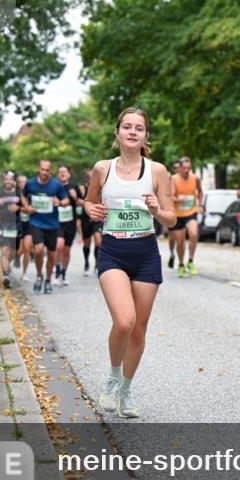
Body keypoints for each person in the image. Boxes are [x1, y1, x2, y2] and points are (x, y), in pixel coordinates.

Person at [82, 106, 175, 418]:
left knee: (138, 330)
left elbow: (172, 218)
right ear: (117, 133)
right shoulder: (102, 169)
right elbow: (89, 200)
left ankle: (126, 389)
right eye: (127, 127)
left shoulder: (158, 172)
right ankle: (112, 378)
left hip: (146, 253)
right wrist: (90, 210)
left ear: (146, 135)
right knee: (124, 321)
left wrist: (156, 211)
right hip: (112, 251)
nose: (133, 132)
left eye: (139, 128)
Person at [21, 159, 69, 294]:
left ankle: (48, 279)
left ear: (50, 171)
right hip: (36, 223)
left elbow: (66, 200)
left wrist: (59, 202)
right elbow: (23, 196)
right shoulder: (30, 183)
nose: (44, 172)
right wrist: (27, 207)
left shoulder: (56, 185)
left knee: (52, 255)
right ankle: (38, 276)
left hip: (52, 225)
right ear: (38, 169)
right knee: (38, 251)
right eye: (42, 169)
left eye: (47, 170)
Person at [170, 156, 203, 277]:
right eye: (184, 168)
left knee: (194, 233)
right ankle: (180, 264)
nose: (186, 170)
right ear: (179, 168)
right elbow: (170, 196)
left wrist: (201, 204)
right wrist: (178, 199)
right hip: (178, 214)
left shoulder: (195, 178)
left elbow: (200, 191)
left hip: (191, 211)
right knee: (179, 242)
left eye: (189, 168)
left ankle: (190, 261)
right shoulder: (173, 179)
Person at [0, 171, 22, 289]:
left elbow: (27, 207)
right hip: (3, 225)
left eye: (10, 179)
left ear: (14, 181)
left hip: (16, 225)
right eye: (6, 179)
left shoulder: (20, 194)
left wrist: (18, 207)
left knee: (14, 252)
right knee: (5, 250)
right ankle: (5, 276)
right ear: (3, 181)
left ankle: (7, 266)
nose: (8, 181)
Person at [55, 165, 81, 286]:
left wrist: (75, 197)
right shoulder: (54, 187)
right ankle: (56, 272)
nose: (62, 174)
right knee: (59, 246)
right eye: (60, 172)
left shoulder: (74, 187)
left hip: (70, 222)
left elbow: (83, 203)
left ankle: (63, 274)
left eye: (64, 172)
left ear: (69, 174)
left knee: (66, 250)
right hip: (57, 222)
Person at [77, 171, 100, 276]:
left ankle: (97, 265)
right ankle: (86, 263)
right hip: (85, 218)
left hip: (97, 218)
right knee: (86, 242)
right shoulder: (82, 188)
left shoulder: (101, 188)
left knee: (98, 241)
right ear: (87, 179)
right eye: (90, 178)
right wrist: (87, 203)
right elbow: (78, 201)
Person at [16, 175, 33, 281]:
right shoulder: (15, 195)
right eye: (20, 182)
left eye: (25, 182)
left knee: (27, 248)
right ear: (17, 184)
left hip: (29, 225)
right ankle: (16, 257)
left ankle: (24, 272)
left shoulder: (32, 194)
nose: (23, 184)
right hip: (17, 224)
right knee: (18, 251)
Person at [166, 158, 181, 269]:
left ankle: (182, 260)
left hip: (183, 212)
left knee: (180, 237)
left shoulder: (184, 179)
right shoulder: (169, 179)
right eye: (175, 168)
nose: (177, 169)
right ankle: (171, 253)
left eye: (178, 167)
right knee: (172, 237)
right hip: (172, 211)